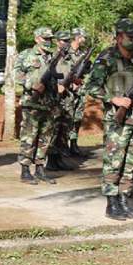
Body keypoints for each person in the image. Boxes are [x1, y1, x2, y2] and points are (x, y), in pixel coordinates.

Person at [83, 18, 133, 221]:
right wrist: (113, 99)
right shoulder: (107, 58)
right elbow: (91, 86)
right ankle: (111, 204)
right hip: (117, 121)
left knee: (130, 163)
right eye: (131, 36)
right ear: (119, 37)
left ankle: (124, 201)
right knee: (114, 162)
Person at [14, 27, 60, 185]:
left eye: (50, 39)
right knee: (29, 137)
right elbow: (15, 75)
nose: (48, 41)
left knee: (45, 138)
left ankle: (40, 168)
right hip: (32, 103)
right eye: (45, 38)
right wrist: (32, 84)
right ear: (37, 39)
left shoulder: (53, 57)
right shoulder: (25, 55)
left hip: (49, 103)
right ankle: (25, 170)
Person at [45, 30, 75, 172]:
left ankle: (59, 159)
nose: (66, 43)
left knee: (64, 130)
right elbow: (45, 76)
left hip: (67, 99)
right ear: (57, 42)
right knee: (54, 130)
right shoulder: (51, 57)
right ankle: (50, 160)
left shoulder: (69, 58)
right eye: (63, 40)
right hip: (54, 99)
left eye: (68, 40)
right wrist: (57, 86)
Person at [67, 28, 91, 157]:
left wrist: (82, 81)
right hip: (68, 91)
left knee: (77, 117)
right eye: (83, 37)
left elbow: (87, 72)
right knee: (67, 118)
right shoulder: (65, 53)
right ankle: (63, 145)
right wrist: (70, 84)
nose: (84, 40)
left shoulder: (82, 54)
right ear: (77, 37)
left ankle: (74, 143)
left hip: (80, 90)